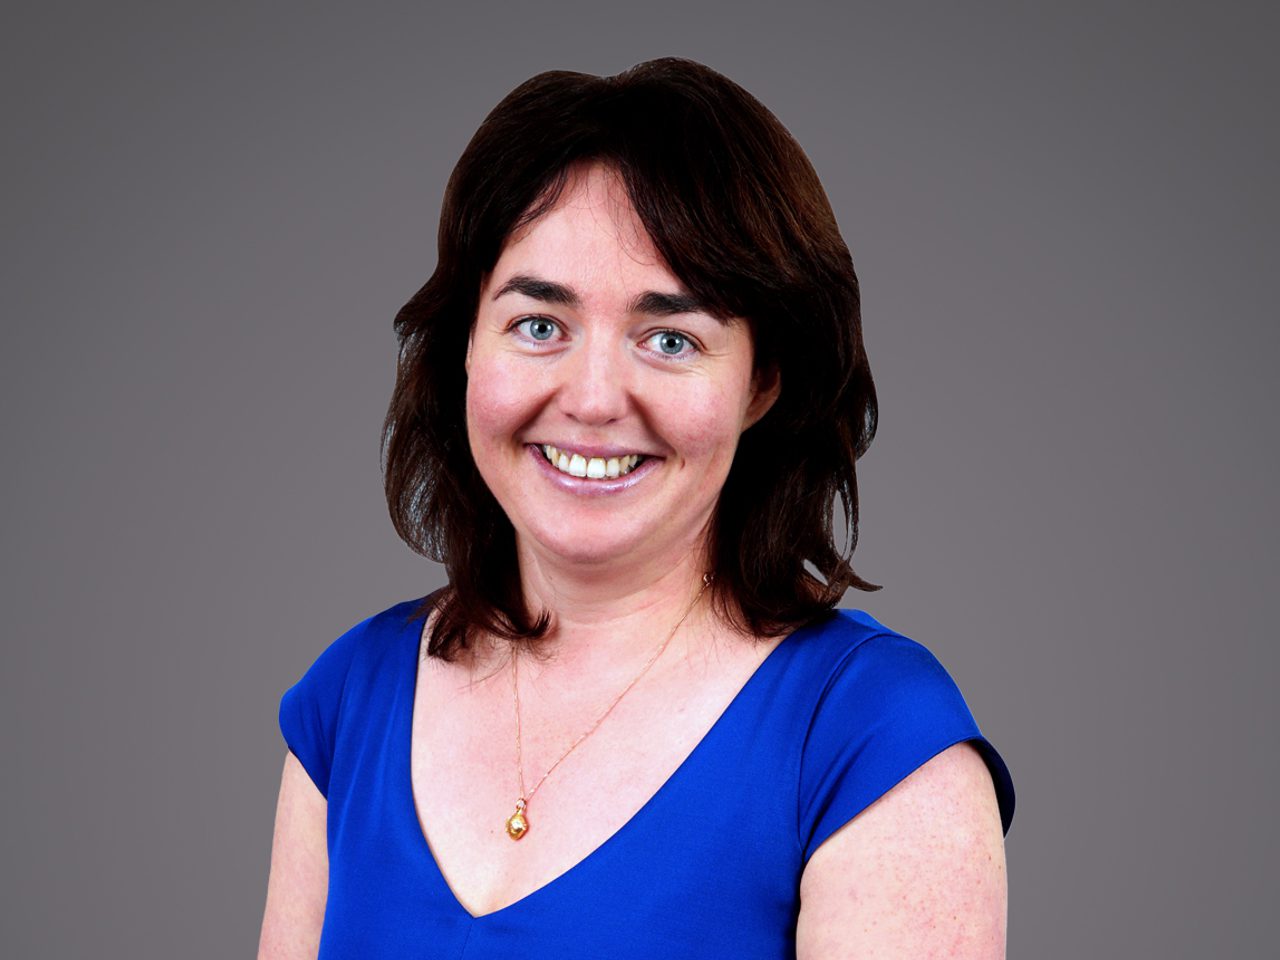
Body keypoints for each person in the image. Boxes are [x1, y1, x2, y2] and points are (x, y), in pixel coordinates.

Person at [258, 57, 1015, 959]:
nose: (592, 399)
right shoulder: (349, 699)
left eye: (669, 339)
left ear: (762, 381)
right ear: (465, 344)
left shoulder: (870, 735)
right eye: (539, 325)